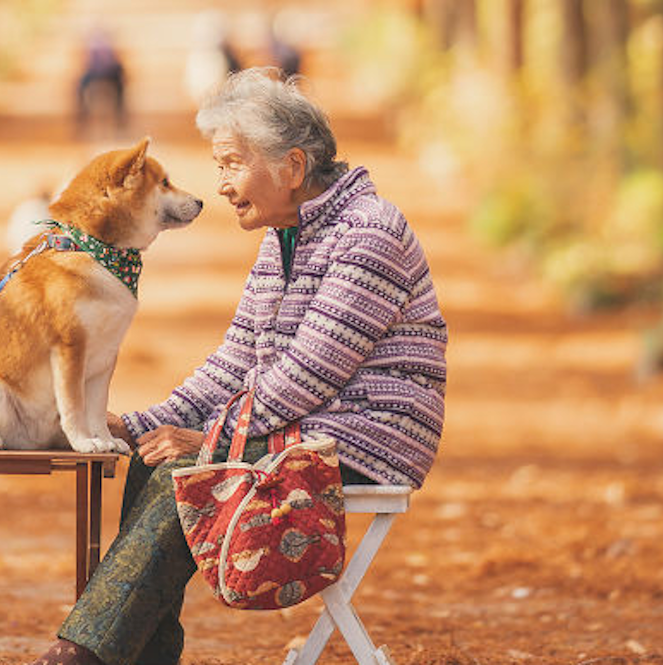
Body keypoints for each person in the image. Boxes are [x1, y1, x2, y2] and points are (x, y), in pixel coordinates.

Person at [30, 67, 447, 665]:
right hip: (294, 432)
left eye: (230, 163)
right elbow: (233, 363)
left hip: (364, 439)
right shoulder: (285, 236)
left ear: (293, 168)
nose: (220, 184)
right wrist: (144, 425)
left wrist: (209, 439)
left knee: (184, 469)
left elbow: (307, 375)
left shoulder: (369, 233)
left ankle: (78, 656)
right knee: (153, 463)